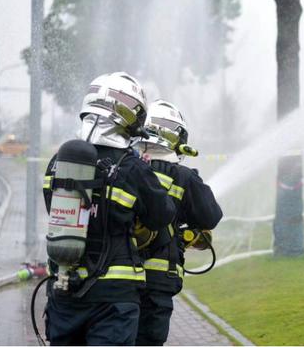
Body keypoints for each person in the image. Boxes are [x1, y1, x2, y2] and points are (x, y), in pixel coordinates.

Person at [42, 72, 176, 345]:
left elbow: (52, 204)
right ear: (129, 117)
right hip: (113, 300)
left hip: (64, 291)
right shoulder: (131, 167)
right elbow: (163, 214)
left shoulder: (60, 162)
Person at [135, 99, 222, 346]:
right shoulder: (184, 177)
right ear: (176, 139)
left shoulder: (125, 168)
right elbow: (211, 216)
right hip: (159, 280)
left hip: (118, 279)